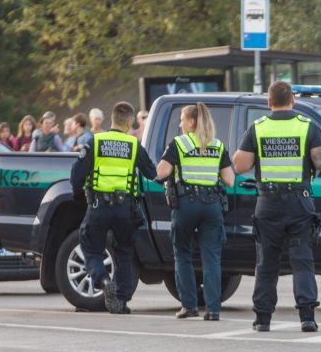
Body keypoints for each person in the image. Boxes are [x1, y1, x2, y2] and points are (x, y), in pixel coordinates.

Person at [232, 81, 321, 333]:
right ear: (293, 100)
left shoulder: (258, 128)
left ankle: (263, 319)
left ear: (269, 102)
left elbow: (241, 166)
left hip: (268, 204)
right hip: (299, 202)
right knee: (302, 260)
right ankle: (307, 317)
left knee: (266, 262)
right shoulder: (307, 126)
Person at [71, 101, 156, 314]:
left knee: (91, 247)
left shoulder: (95, 141)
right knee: (125, 251)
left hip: (98, 206)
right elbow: (151, 172)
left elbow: (76, 175)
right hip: (125, 208)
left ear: (112, 119)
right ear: (129, 122)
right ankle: (121, 300)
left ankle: (103, 279)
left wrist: (79, 196)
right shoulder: (134, 145)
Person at [155, 103, 235, 320]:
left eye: (182, 119)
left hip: (186, 205)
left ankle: (189, 306)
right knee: (211, 258)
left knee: (182, 254)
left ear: (191, 122)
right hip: (212, 206)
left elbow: (161, 172)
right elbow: (229, 179)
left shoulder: (179, 143)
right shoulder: (217, 145)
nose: (179, 124)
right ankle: (213, 310)